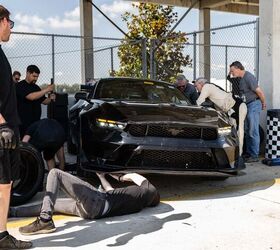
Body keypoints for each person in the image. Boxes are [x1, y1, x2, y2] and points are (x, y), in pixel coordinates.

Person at [9, 169, 160, 236]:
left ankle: (45, 219)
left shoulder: (147, 190)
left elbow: (134, 175)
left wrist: (120, 177)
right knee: (52, 203)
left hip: (97, 201)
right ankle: (12, 212)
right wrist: (102, 177)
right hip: (92, 212)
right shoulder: (137, 202)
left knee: (55, 173)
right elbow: (110, 191)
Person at [0, 5, 32, 249]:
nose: (11, 29)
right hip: (2, 131)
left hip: (8, 128)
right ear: (1, 21)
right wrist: (3, 126)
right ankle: (2, 238)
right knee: (3, 185)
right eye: (10, 24)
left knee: (5, 184)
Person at [194, 77, 247, 156]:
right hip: (231, 110)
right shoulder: (211, 90)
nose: (196, 88)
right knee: (230, 131)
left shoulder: (207, 87)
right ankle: (232, 153)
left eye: (196, 86)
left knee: (239, 131)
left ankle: (239, 155)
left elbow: (199, 102)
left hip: (237, 106)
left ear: (201, 84)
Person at [229, 61, 266, 162]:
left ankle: (254, 155)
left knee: (252, 130)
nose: (231, 73)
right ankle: (249, 153)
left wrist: (263, 103)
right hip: (246, 106)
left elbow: (259, 91)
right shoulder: (240, 79)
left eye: (232, 70)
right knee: (246, 129)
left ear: (238, 68)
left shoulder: (248, 77)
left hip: (254, 104)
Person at [16, 65, 56, 138]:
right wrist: (46, 89)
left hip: (36, 122)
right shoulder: (20, 86)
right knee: (25, 145)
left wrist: (50, 97)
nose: (35, 79)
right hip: (24, 123)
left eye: (37, 77)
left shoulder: (36, 87)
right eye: (34, 76)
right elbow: (31, 97)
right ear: (28, 73)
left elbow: (45, 102)